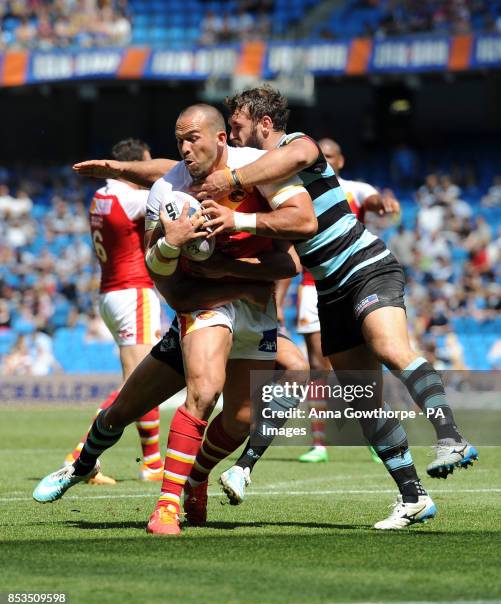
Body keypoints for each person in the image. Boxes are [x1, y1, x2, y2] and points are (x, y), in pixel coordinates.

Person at [191, 85, 477, 529]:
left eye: (237, 125)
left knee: (389, 347)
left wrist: (232, 185)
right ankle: (414, 497)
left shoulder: (295, 145)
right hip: (330, 289)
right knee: (363, 399)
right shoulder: (256, 175)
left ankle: (451, 437)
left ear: (264, 124)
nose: (231, 133)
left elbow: (302, 154)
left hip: (365, 266)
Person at [33, 104, 314, 537]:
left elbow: (298, 237)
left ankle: (196, 477)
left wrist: (233, 239)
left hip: (254, 309)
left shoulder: (254, 170)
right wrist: (171, 245)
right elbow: (163, 279)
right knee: (190, 395)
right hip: (201, 304)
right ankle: (141, 494)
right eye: (179, 139)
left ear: (221, 139)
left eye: (193, 138)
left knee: (239, 418)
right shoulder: (167, 191)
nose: (184, 148)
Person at [63, 138, 165, 484]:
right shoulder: (133, 198)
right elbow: (166, 181)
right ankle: (81, 456)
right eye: (145, 166)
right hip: (133, 292)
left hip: (110, 293)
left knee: (142, 381)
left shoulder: (101, 196)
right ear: (135, 166)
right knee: (137, 384)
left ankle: (152, 463)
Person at [295, 137, 400, 464]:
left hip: (351, 283)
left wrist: (381, 203)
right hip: (311, 288)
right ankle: (319, 443)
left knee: (364, 365)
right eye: (320, 155)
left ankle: (375, 431)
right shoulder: (298, 190)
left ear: (339, 161)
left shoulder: (354, 188)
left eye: (329, 156)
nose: (324, 159)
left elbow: (370, 201)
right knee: (318, 366)